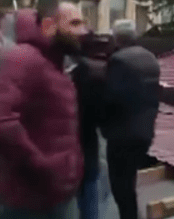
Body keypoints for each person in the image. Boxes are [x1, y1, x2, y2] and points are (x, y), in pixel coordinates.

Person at [0, 0, 87, 219]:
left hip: (56, 196)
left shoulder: (55, 63)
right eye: (75, 23)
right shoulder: (24, 58)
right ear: (50, 26)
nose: (83, 31)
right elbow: (1, 124)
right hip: (26, 203)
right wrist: (44, 167)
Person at [100, 19, 160, 219]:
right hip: (145, 131)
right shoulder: (150, 57)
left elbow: (112, 97)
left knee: (120, 186)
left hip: (122, 133)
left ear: (116, 38)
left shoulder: (119, 60)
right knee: (129, 181)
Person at [71, 32, 111, 219]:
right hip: (90, 144)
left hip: (72, 144)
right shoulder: (104, 72)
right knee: (91, 196)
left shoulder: (74, 72)